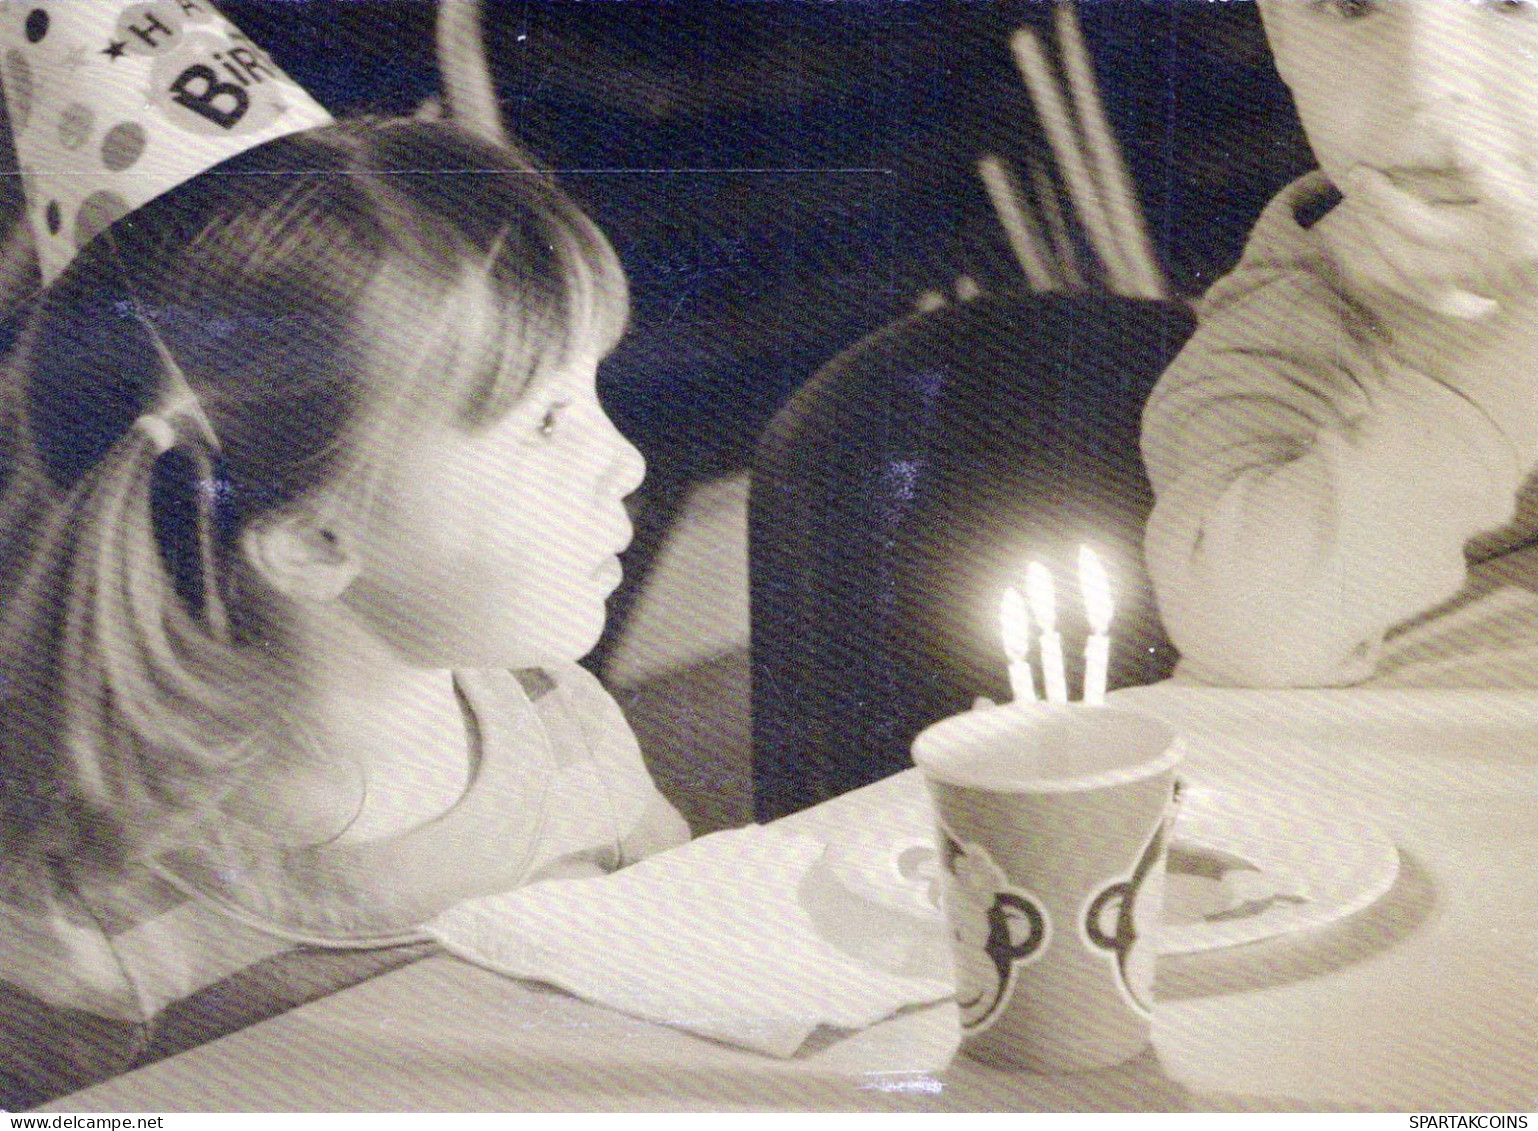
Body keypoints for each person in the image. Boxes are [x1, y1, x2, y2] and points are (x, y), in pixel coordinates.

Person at [0, 114, 690, 1093]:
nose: (623, 462)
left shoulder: (559, 721)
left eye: (593, 395)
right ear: (312, 542)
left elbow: (691, 979)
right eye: (545, 422)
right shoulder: (84, 923)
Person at [1141, 0, 1538, 688]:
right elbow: (1251, 628)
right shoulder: (1292, 332)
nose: (1426, 81)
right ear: (1280, 35)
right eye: (1350, 5)